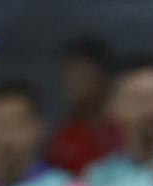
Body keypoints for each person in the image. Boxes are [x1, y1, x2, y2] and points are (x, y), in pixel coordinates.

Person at [45, 39, 120, 176]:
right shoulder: (63, 137)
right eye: (69, 75)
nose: (73, 82)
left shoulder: (125, 127)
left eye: (81, 74)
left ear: (104, 77)